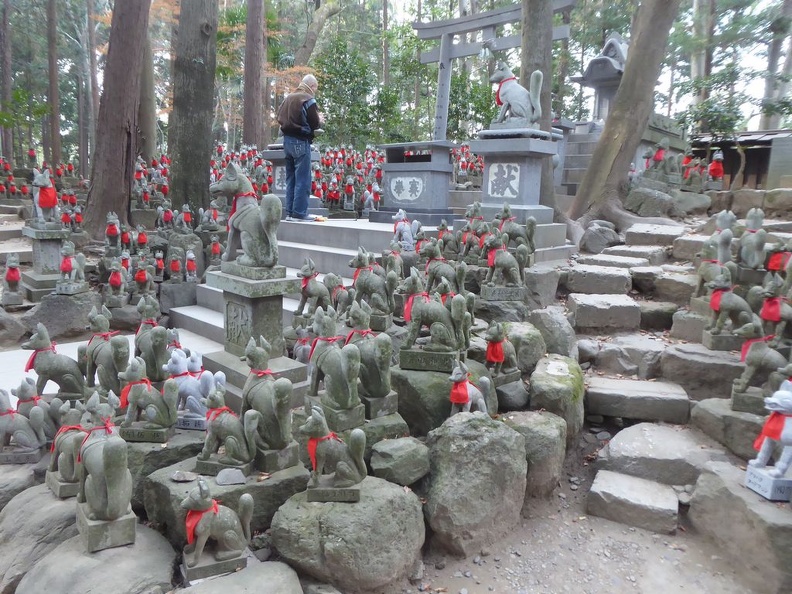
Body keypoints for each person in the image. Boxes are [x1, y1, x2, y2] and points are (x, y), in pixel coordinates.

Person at [277, 74, 322, 222]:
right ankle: (299, 213)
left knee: (291, 179)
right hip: (301, 141)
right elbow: (314, 123)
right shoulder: (308, 99)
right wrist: (320, 120)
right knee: (303, 179)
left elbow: (279, 116)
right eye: (315, 88)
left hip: (287, 141)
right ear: (312, 86)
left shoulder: (288, 98)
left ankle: (289, 212)